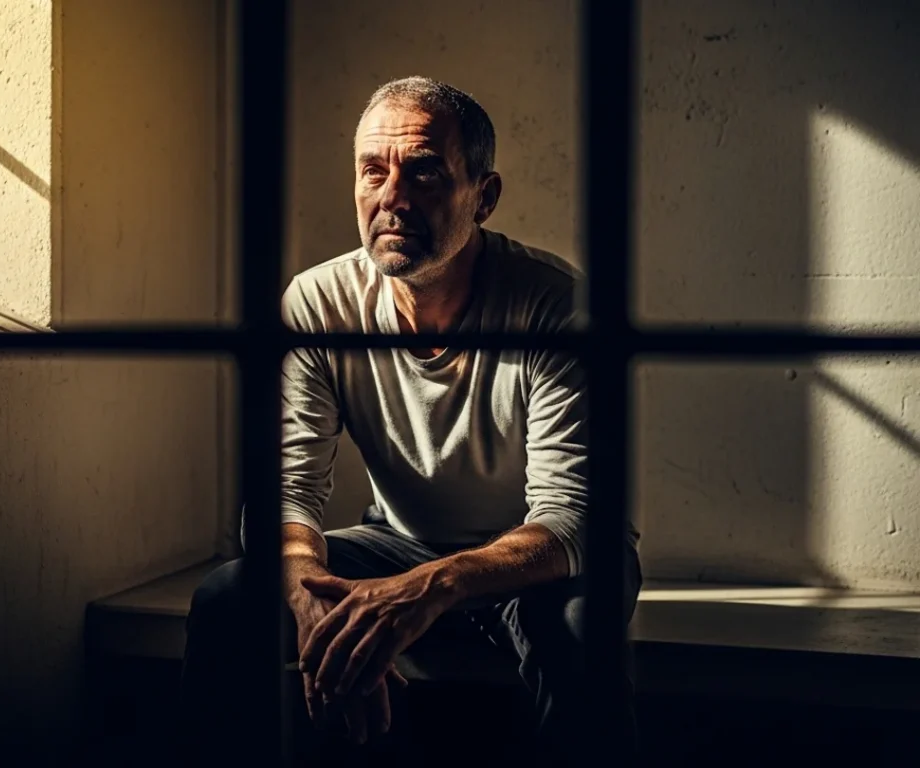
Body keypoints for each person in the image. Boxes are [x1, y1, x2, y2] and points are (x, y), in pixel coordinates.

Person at [180, 76, 642, 762]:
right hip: (399, 544)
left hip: (542, 561)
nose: (392, 198)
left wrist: (429, 589)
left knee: (582, 632)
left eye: (423, 172)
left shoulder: (556, 306)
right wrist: (310, 603)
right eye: (373, 171)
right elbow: (286, 494)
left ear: (484, 196)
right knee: (228, 598)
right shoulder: (319, 303)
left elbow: (572, 516)